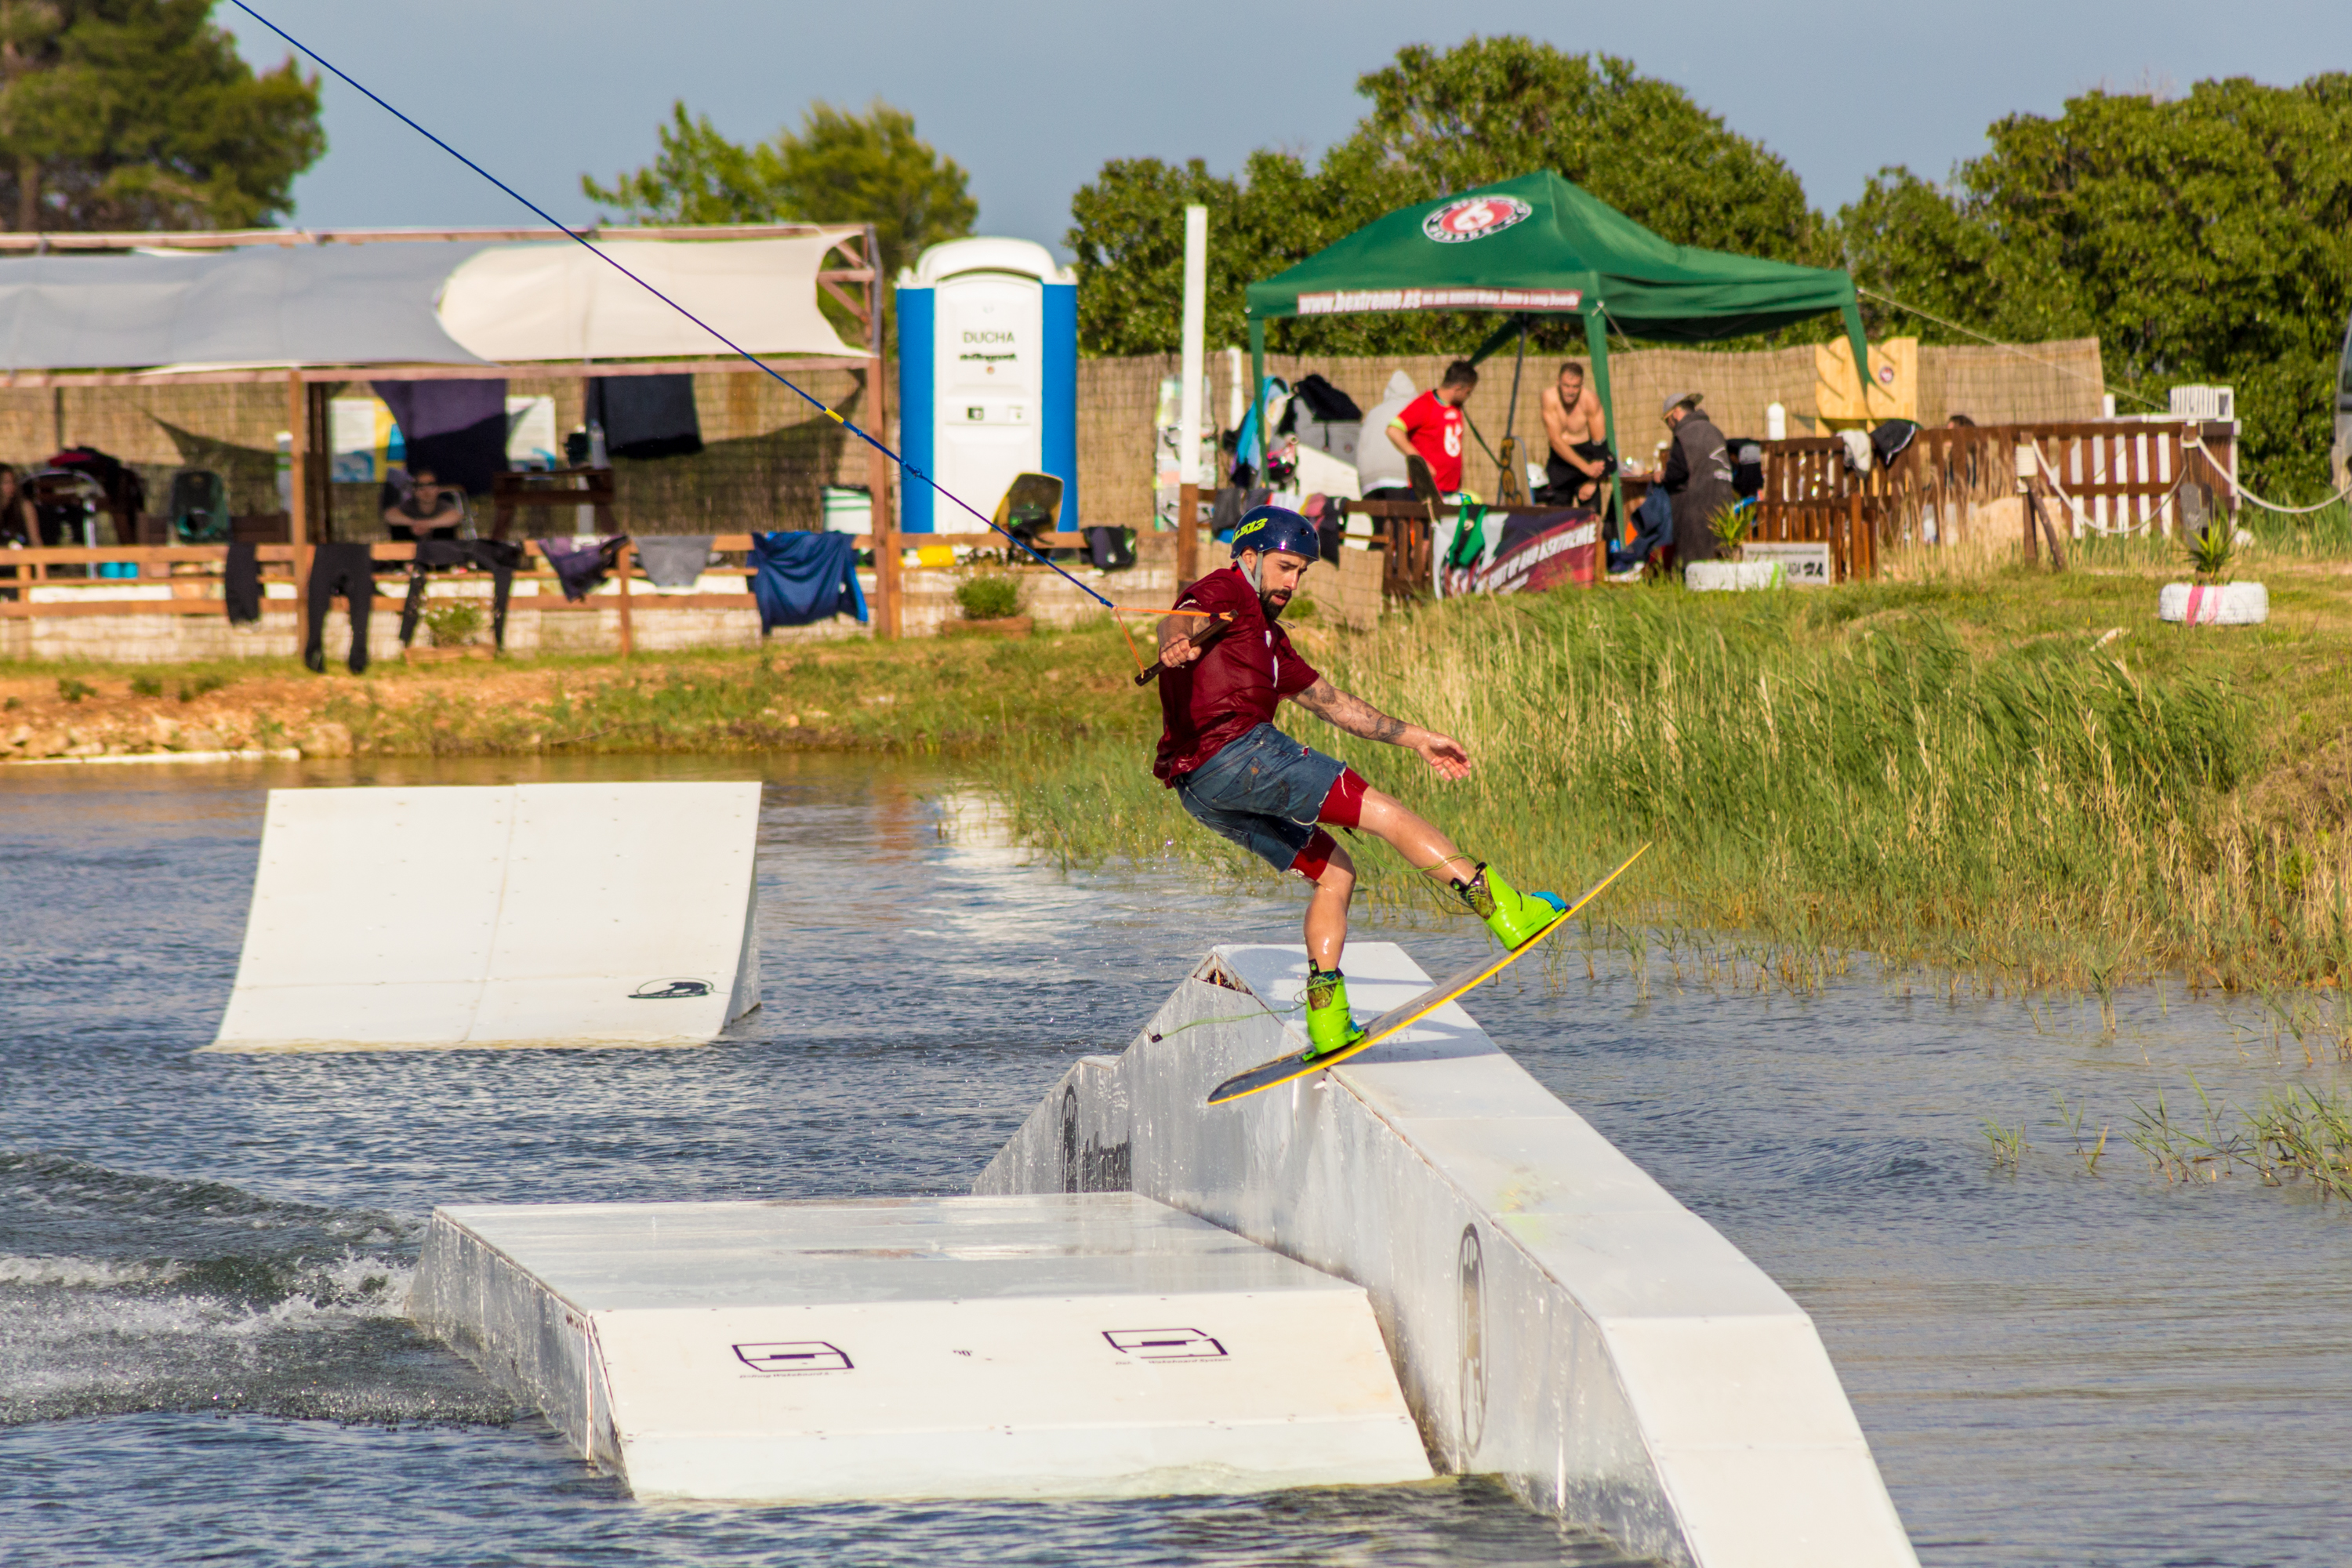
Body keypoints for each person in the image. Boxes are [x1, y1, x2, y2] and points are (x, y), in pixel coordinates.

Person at [1155, 505, 1566, 1058]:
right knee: (1388, 815)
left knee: (1336, 873)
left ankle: (1327, 1017)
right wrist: (1174, 640)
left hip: (1200, 791)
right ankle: (1506, 910)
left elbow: (1336, 706)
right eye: (1283, 567)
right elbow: (1179, 615)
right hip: (1242, 753)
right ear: (1249, 558)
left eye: (1301, 571)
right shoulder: (1224, 590)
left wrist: (1417, 737)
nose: (1292, 582)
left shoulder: (1270, 644)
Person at [1656, 392, 1737, 564]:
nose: (1669, 426)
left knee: (1695, 563)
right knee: (1720, 555)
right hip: (1723, 500)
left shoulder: (1685, 433)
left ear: (1676, 413)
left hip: (1696, 508)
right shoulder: (1715, 431)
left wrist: (1662, 476)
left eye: (1667, 420)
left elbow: (1677, 473)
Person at [1385, 361, 1478, 497]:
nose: (1468, 397)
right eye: (1468, 392)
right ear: (1458, 388)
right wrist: (1420, 462)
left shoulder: (1455, 408)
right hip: (1426, 491)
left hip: (1451, 491)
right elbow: (1393, 430)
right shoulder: (1426, 404)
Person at [1537, 361, 1613, 507]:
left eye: (1575, 387)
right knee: (1557, 521)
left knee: (1592, 520)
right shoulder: (1549, 398)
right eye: (1566, 385)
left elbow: (1600, 444)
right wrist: (1586, 468)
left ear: (1582, 384)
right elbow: (1555, 441)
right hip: (1560, 461)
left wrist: (1593, 481)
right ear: (1558, 381)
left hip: (1587, 459)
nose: (1570, 391)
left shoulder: (1589, 400)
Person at [380, 465, 464, 543]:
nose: (426, 491)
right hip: (411, 549)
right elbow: (390, 515)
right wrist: (414, 524)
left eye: (431, 485)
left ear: (438, 489)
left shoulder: (443, 505)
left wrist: (428, 525)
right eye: (421, 486)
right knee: (399, 529)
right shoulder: (408, 505)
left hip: (439, 550)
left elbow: (455, 516)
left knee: (445, 530)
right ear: (414, 491)